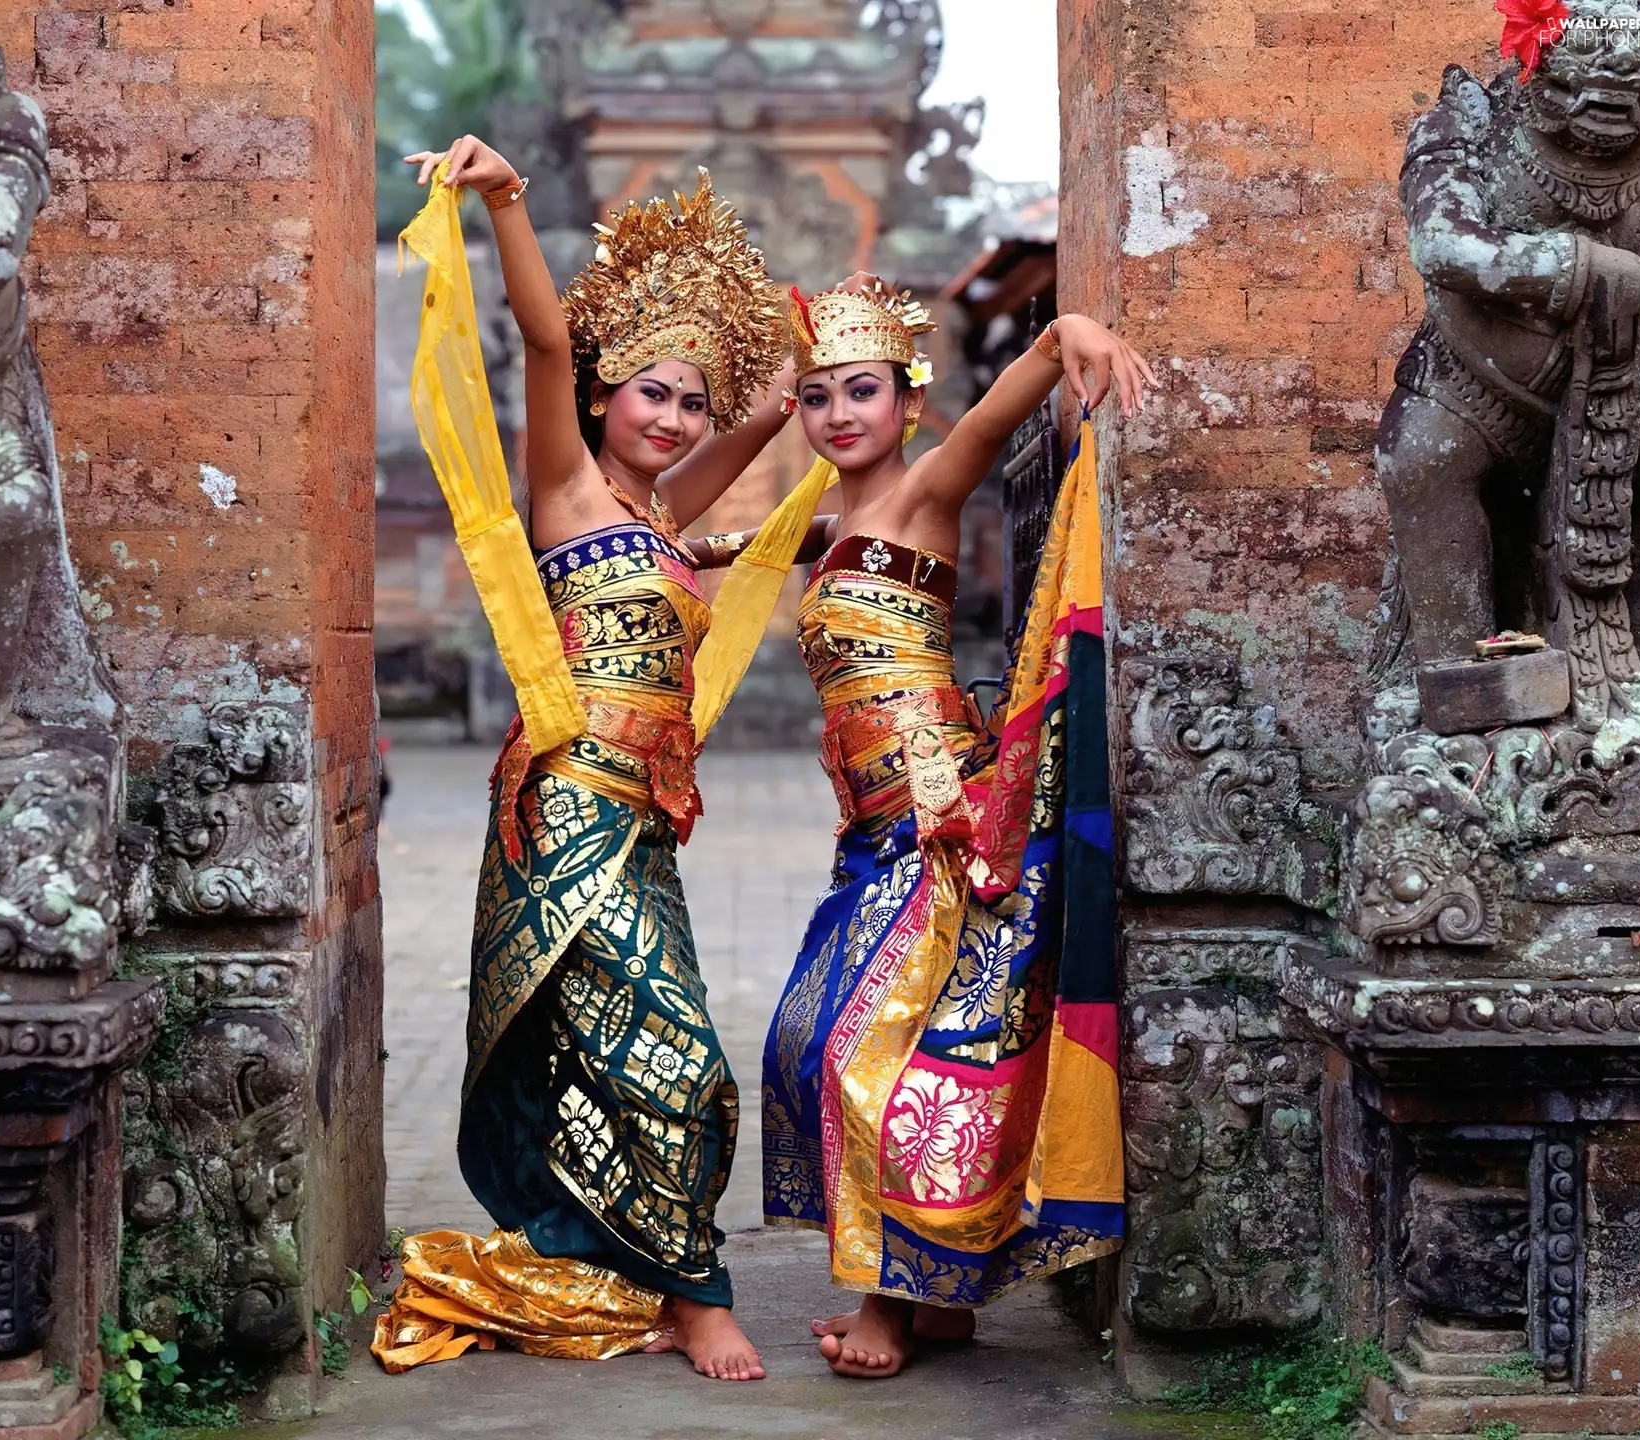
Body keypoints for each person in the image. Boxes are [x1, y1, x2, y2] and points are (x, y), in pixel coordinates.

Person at [371, 137, 790, 1382]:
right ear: (608, 391)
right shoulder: (565, 492)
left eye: (695, 402)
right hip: (564, 814)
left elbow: (752, 442)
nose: (673, 419)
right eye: (654, 392)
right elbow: (544, 344)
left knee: (623, 1045)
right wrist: (508, 203)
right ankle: (698, 1293)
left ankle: (646, 1273)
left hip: (641, 826)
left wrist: (792, 386)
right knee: (678, 1051)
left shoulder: (659, 519)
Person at [759, 276, 1155, 1378]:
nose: (839, 414)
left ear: (906, 403)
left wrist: (1065, 337)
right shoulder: (836, 529)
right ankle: (938, 1300)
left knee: (863, 1052)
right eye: (816, 397)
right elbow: (739, 546)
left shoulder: (927, 492)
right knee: (828, 1040)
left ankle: (887, 1303)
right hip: (870, 831)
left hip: (941, 822)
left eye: (862, 392)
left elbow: (991, 423)